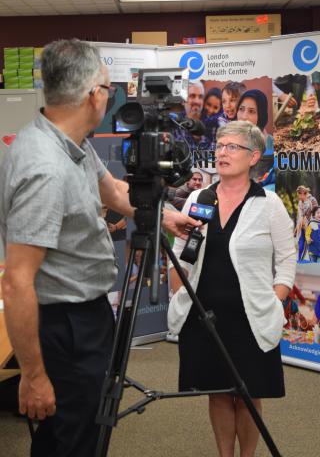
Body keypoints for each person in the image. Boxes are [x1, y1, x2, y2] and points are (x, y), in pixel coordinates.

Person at [0, 39, 200, 457]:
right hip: (62, 326)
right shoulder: (44, 169)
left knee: (80, 426)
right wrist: (33, 376)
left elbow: (112, 193)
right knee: (73, 439)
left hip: (87, 316)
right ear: (94, 94)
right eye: (109, 88)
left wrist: (161, 215)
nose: (110, 96)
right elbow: (17, 282)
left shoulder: (70, 142)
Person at [168, 120, 296, 457]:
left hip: (250, 316)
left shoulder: (268, 204)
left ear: (254, 156)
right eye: (220, 146)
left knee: (248, 394)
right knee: (219, 392)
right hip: (205, 315)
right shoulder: (199, 197)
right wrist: (176, 284)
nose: (222, 153)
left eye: (232, 147)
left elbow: (286, 261)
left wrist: (275, 301)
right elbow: (182, 250)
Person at [174, 81, 212, 152]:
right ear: (182, 100)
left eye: (200, 97)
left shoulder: (212, 123)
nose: (197, 101)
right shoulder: (174, 123)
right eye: (192, 96)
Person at [236, 88, 273, 154]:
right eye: (241, 109)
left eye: (251, 111)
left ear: (261, 116)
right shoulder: (226, 141)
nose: (244, 117)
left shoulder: (271, 146)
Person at [294, 185, 318, 262]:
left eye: (299, 194)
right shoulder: (300, 202)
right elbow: (299, 215)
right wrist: (296, 228)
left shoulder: (312, 200)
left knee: (312, 246)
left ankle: (313, 263)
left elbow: (316, 212)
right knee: (301, 244)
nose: (298, 197)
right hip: (301, 226)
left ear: (303, 193)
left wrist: (308, 218)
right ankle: (299, 260)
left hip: (311, 226)